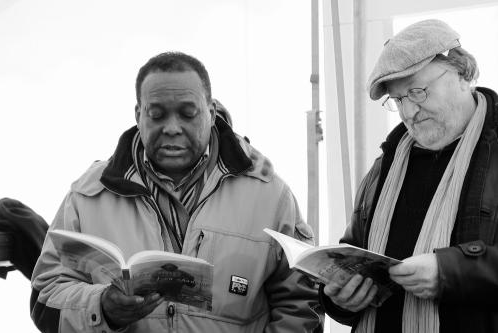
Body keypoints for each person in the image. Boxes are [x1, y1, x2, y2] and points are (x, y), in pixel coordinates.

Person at [30, 51, 323, 332]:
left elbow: (302, 303)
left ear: (210, 112)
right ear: (138, 114)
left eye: (187, 114)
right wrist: (102, 308)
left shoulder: (270, 196)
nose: (172, 128)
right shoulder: (88, 197)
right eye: (157, 114)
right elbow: (46, 299)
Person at [319, 19, 498, 333]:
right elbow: (356, 252)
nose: (409, 112)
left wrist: (452, 271)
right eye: (398, 100)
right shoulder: (384, 166)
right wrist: (340, 297)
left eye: (418, 92)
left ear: (461, 72)